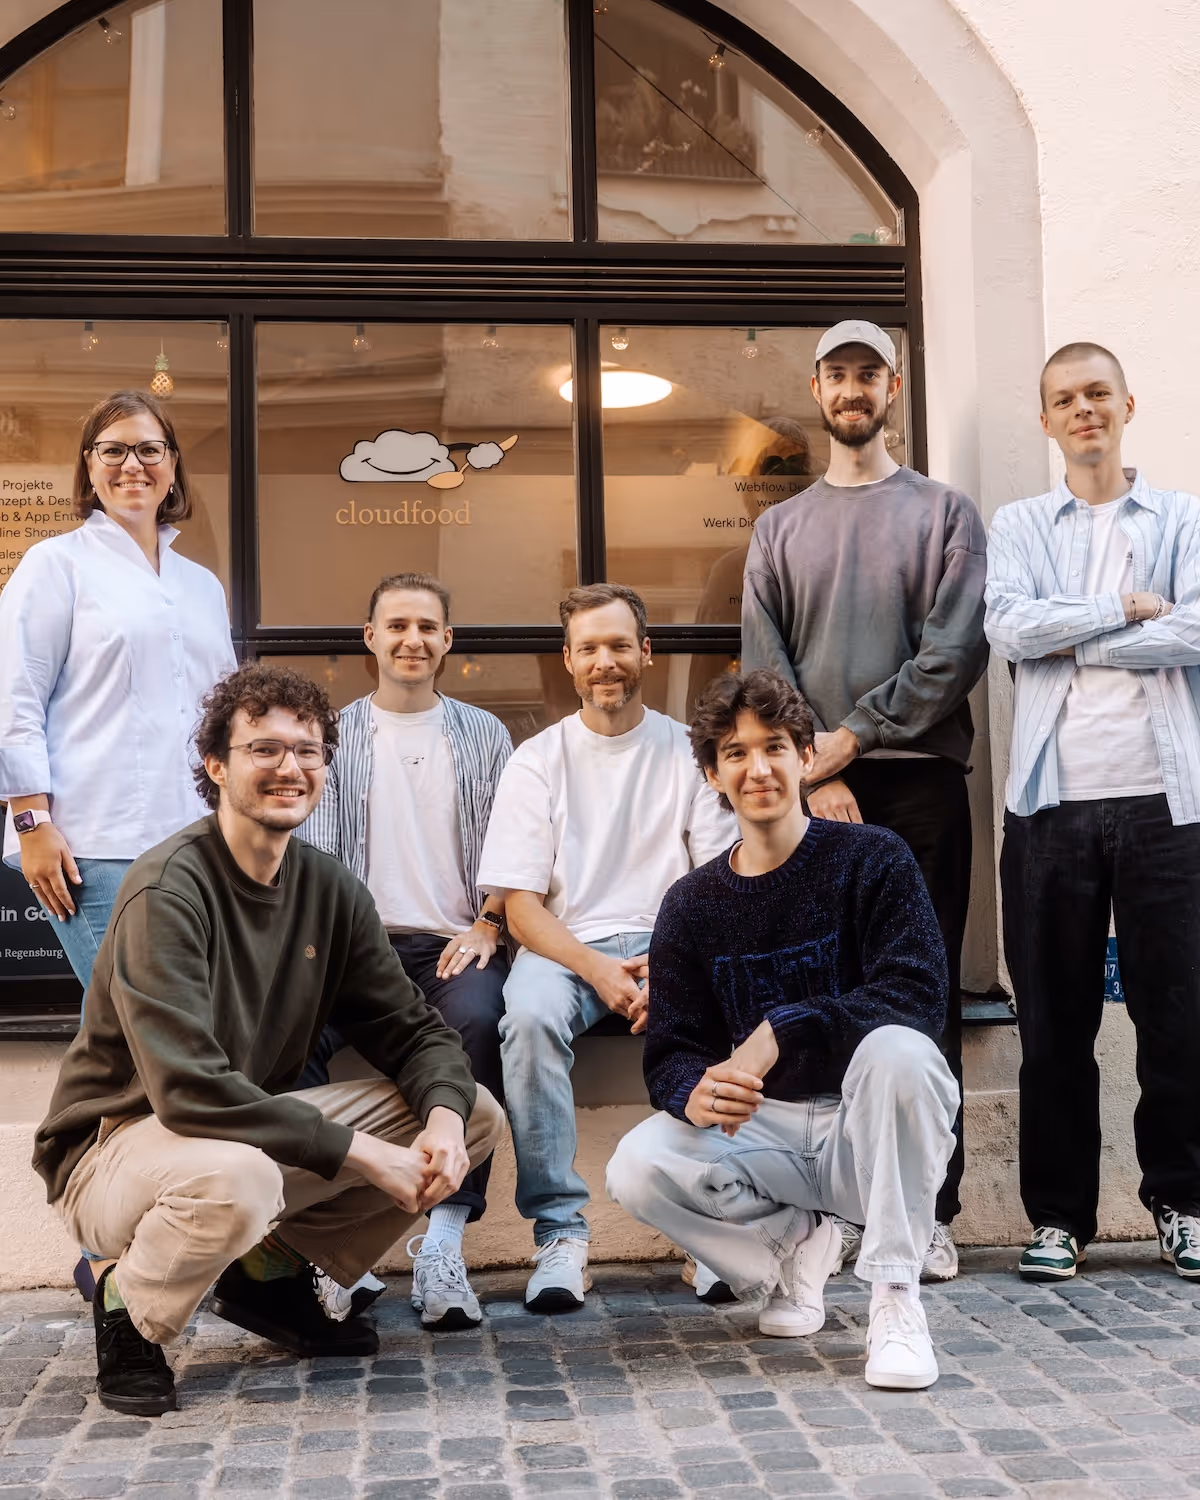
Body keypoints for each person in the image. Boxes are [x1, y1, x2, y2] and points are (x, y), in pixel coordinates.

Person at [32, 662, 505, 1417]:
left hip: (239, 1136)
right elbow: (188, 1088)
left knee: (473, 1111)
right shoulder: (168, 890)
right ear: (217, 766)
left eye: (309, 750)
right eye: (265, 749)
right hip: (117, 1146)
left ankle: (268, 1276)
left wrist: (443, 1122)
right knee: (240, 1180)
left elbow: (414, 1031)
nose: (290, 767)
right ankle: (127, 1305)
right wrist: (362, 1154)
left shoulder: (329, 889)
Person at [606, 670, 957, 1389]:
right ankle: (794, 1247)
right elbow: (671, 1051)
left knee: (900, 1051)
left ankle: (894, 1295)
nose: (758, 767)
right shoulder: (691, 904)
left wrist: (782, 1029)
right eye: (735, 753)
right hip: (761, 1135)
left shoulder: (872, 858)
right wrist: (691, 1093)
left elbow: (918, 997)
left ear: (806, 757)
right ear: (712, 775)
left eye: (774, 747)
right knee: (636, 1166)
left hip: (869, 1137)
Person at [740, 320, 988, 1280]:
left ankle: (928, 1210)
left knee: (920, 994)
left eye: (868, 374)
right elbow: (764, 667)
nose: (852, 389)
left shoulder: (944, 514)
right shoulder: (779, 528)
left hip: (919, 785)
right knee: (820, 994)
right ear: (818, 388)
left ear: (892, 388)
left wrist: (856, 735)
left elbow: (956, 651)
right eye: (836, 374)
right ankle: (841, 1206)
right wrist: (817, 764)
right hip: (813, 796)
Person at [0, 389, 236, 1304]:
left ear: (174, 466)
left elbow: (222, 714)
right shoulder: (54, 567)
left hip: (196, 848)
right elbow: (14, 697)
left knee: (194, 1047)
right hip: (91, 848)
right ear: (88, 469)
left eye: (148, 449)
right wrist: (31, 822)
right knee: (144, 1051)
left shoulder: (199, 582)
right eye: (112, 451)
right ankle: (109, 1254)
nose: (132, 465)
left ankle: (181, 1242)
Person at [986, 341, 1200, 1282]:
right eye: (1064, 399)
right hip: (1051, 806)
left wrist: (1080, 638)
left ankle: (1184, 1204)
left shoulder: (1184, 518)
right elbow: (1008, 626)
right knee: (1054, 1026)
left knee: (1180, 1020)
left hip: (1168, 804)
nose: (1083, 410)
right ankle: (1060, 1217)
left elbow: (1198, 628)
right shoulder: (1023, 521)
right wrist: (1124, 609)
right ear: (1045, 420)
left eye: (1097, 394)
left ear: (1127, 404)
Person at [476, 583, 736, 1312]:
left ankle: (705, 1226)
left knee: (725, 1011)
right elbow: (522, 909)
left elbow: (718, 883)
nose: (605, 662)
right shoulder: (538, 760)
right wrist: (596, 968)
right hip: (566, 950)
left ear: (646, 652)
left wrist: (670, 962)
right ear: (568, 661)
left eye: (619, 645)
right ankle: (560, 1235)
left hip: (674, 939)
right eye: (588, 648)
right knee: (525, 1022)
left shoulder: (690, 754)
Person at [298, 571, 512, 1329]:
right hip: (352, 947)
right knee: (290, 1044)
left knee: (479, 1027)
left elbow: (511, 852)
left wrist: (489, 922)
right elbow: (312, 863)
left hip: (454, 944)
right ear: (370, 638)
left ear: (447, 641)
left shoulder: (486, 735)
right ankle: (325, 1251)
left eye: (427, 627)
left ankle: (445, 1239)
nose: (412, 640)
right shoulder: (331, 736)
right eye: (396, 626)